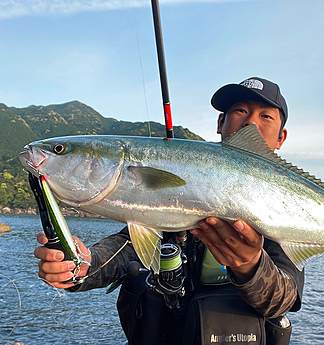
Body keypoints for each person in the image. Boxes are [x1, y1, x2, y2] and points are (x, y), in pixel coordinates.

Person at [34, 77, 305, 345]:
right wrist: (82, 265)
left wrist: (250, 267)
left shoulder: (290, 205)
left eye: (266, 116)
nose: (250, 122)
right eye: (240, 111)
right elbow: (127, 245)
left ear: (281, 137)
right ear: (220, 123)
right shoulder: (188, 189)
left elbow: (285, 298)